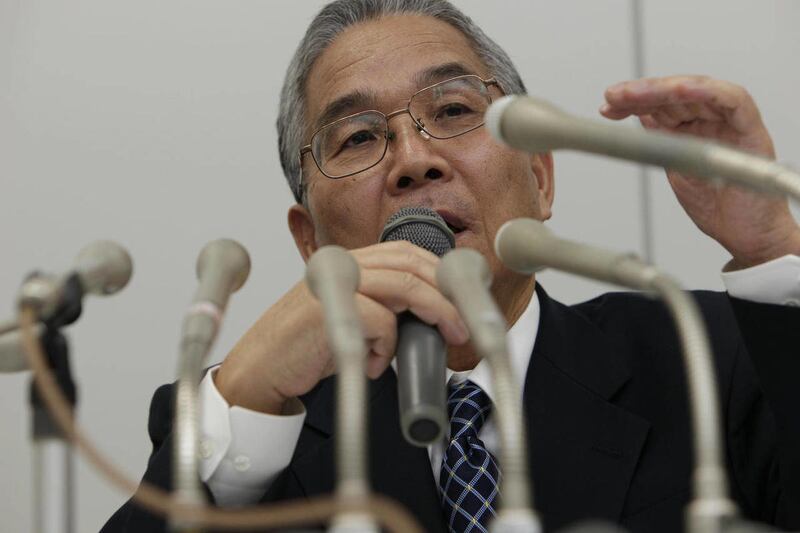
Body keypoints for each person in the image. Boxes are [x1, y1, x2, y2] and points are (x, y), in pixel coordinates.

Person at [102, 1, 800, 532]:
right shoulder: (265, 432)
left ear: (541, 180)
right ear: (312, 244)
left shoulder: (702, 355)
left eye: (454, 108)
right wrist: (247, 392)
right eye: (360, 137)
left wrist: (772, 246)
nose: (413, 160)